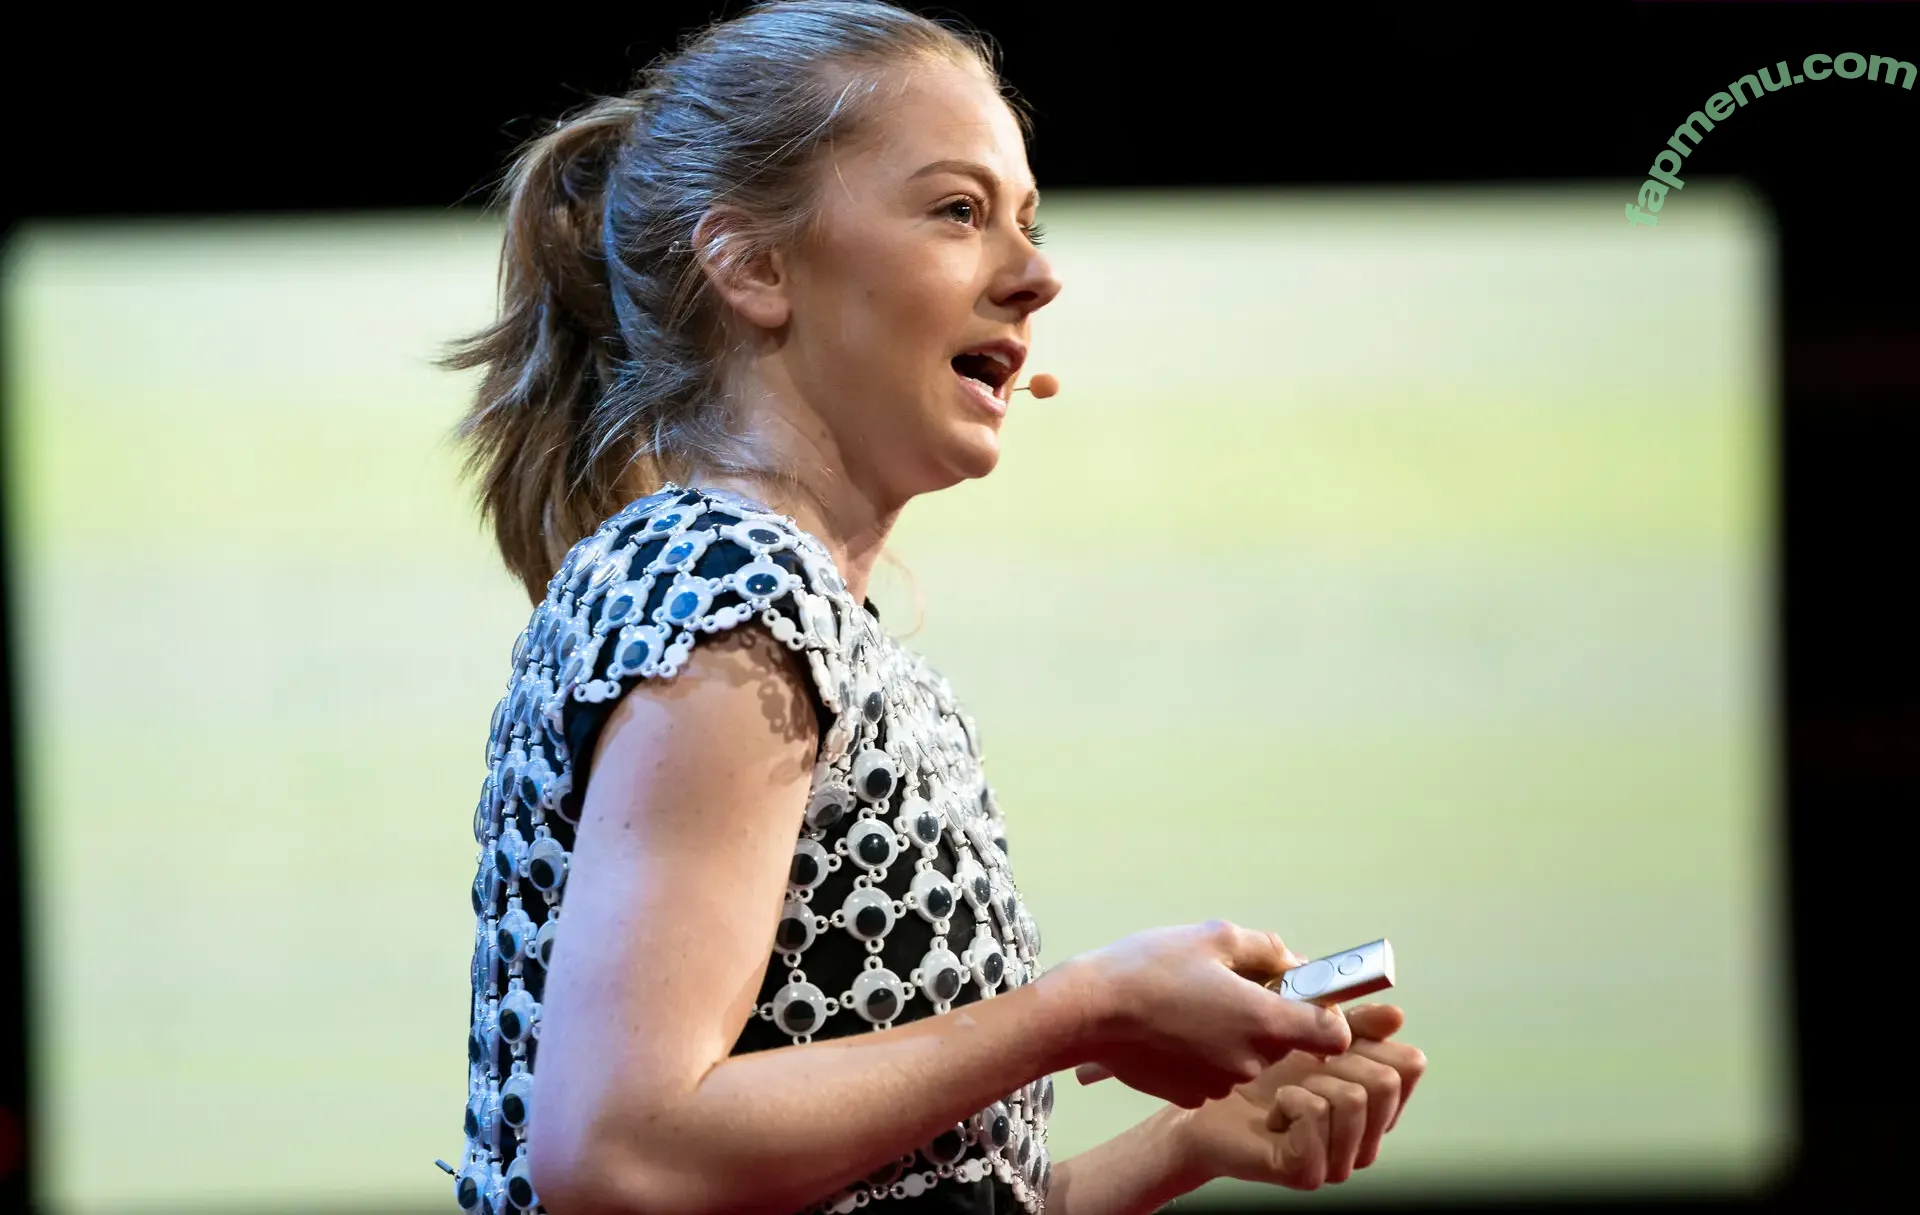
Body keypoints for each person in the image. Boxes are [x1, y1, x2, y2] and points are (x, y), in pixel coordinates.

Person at [444, 3, 1426, 1214]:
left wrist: (1184, 1146)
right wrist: (1087, 1009)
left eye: (1027, 222)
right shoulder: (724, 587)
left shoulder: (795, 614)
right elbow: (624, 1152)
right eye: (959, 211)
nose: (1037, 275)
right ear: (754, 267)